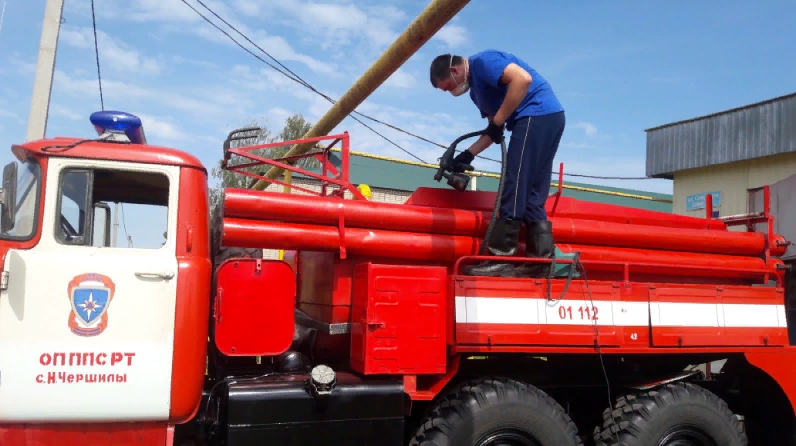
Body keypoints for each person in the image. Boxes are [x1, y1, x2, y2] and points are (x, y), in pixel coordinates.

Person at [430, 49, 566, 277]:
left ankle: (502, 258)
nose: (451, 92)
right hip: (547, 118)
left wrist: (500, 121)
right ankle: (541, 261)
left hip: (536, 115)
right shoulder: (477, 93)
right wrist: (467, 155)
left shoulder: (484, 62)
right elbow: (494, 130)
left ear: (454, 71)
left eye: (448, 87)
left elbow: (522, 79)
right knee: (532, 195)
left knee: (514, 184)